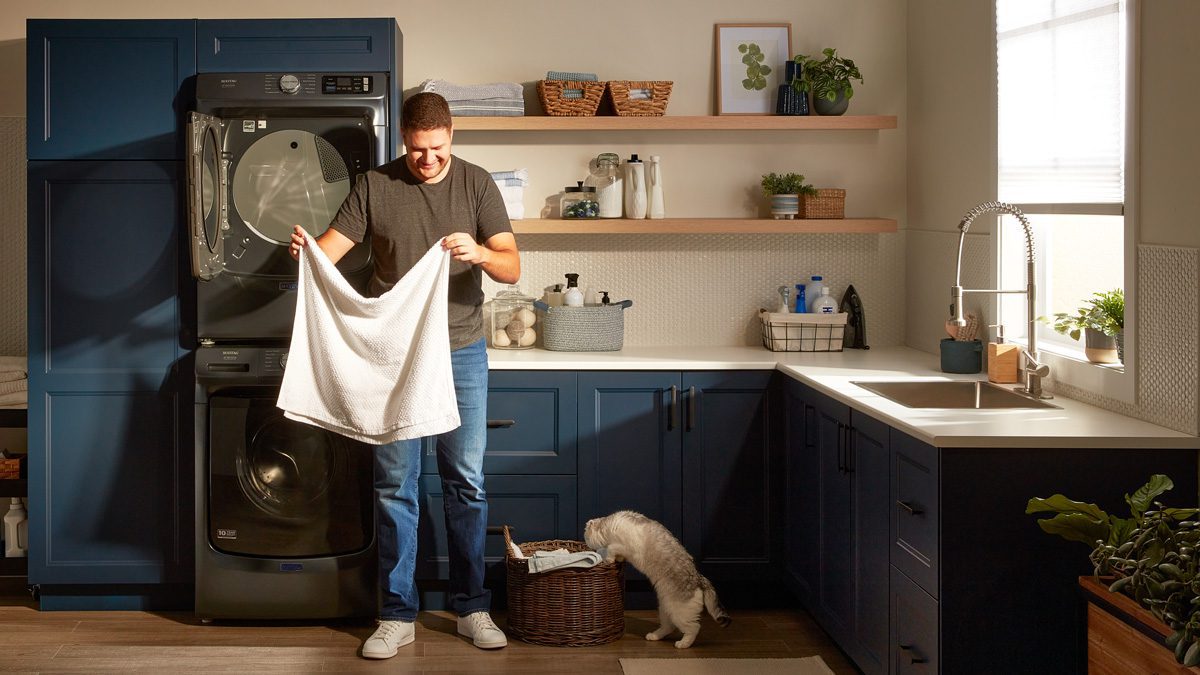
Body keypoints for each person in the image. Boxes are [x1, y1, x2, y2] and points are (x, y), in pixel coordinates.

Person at [289, 91, 520, 659]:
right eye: (418, 151)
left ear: (451, 139)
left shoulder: (476, 184)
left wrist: (481, 254)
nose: (428, 161)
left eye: (437, 150)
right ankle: (396, 614)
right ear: (404, 142)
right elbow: (329, 253)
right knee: (395, 486)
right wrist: (306, 253)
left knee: (466, 483)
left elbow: (512, 267)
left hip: (462, 351)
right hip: (393, 358)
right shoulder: (375, 185)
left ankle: (473, 607)